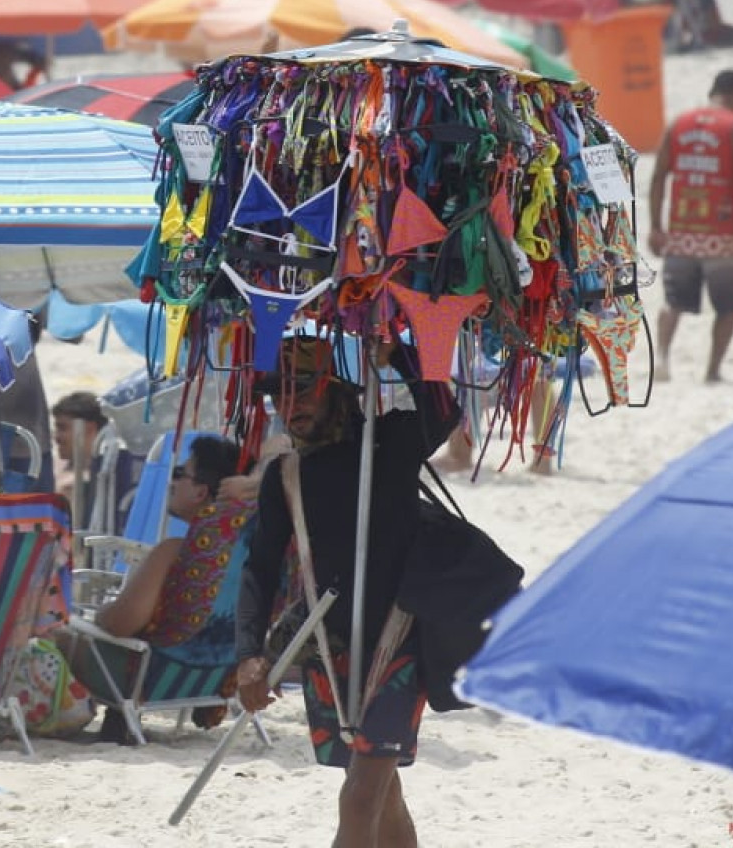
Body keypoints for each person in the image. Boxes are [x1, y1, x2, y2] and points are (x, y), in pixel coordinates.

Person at [234, 337, 462, 848]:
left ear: (337, 391)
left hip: (399, 643)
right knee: (379, 787)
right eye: (281, 397)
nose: (290, 408)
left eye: (304, 392)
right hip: (329, 646)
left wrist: (398, 356)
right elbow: (260, 568)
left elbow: (444, 409)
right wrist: (249, 654)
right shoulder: (285, 475)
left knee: (362, 794)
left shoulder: (391, 446)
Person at [646, 69, 733, 384]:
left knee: (673, 301)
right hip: (724, 235)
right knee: (727, 306)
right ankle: (712, 370)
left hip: (682, 229)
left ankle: (661, 358)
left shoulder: (678, 124)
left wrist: (656, 226)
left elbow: (659, 177)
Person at [92, 435, 241, 639]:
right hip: (225, 669)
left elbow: (121, 623)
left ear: (200, 493)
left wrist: (100, 614)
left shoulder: (175, 552)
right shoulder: (247, 556)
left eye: (179, 473)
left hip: (151, 666)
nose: (171, 483)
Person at [51, 390, 106, 509]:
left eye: (62, 428)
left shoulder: (105, 477)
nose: (56, 437)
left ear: (89, 429)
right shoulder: (53, 466)